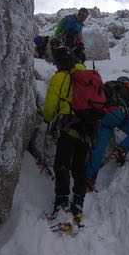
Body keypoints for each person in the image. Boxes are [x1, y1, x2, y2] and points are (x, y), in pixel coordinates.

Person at [43, 46, 88, 222]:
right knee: (80, 166)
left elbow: (49, 107)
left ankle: (62, 201)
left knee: (62, 164)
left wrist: (48, 118)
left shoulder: (60, 78)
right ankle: (78, 202)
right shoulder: (84, 73)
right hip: (88, 127)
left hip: (69, 126)